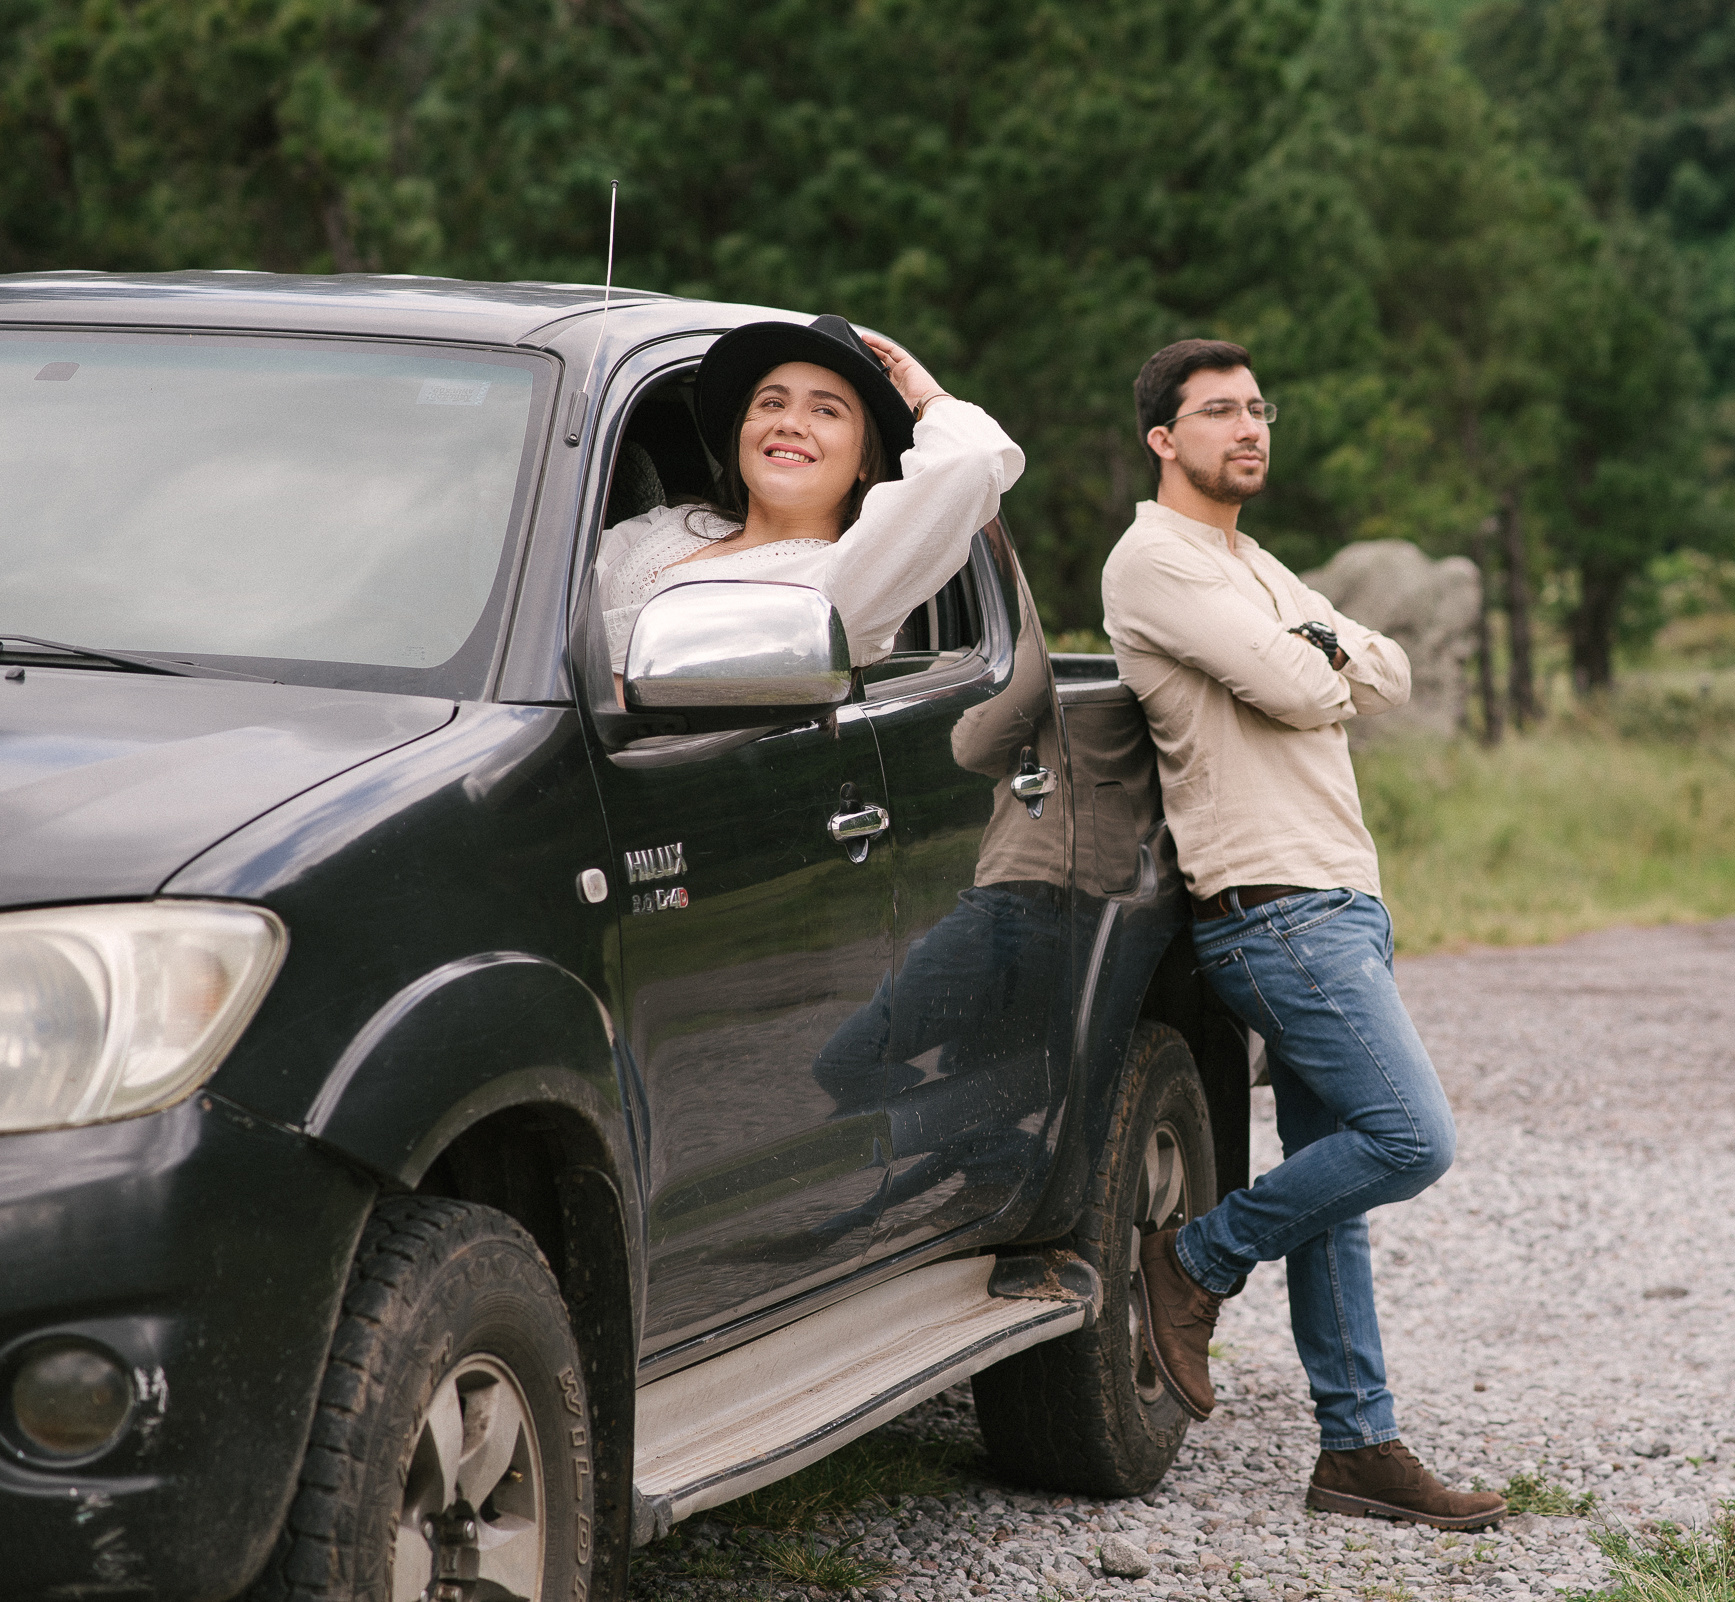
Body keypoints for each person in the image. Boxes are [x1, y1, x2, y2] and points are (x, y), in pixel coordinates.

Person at [1100, 339, 1506, 1531]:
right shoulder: (1154, 563)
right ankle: (1196, 1259)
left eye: (1260, 408)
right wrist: (1325, 657)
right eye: (1219, 411)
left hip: (1338, 899)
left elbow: (1388, 670)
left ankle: (1358, 1448)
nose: (1250, 428)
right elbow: (1304, 689)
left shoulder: (1255, 562)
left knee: (1341, 1194)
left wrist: (1323, 652)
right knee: (1412, 1136)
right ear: (1164, 439)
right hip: (1272, 908)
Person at [596, 315, 1022, 680]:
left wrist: (928, 397)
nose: (790, 423)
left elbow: (975, 459)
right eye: (772, 402)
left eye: (826, 410)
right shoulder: (672, 524)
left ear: (864, 462)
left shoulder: (843, 582)